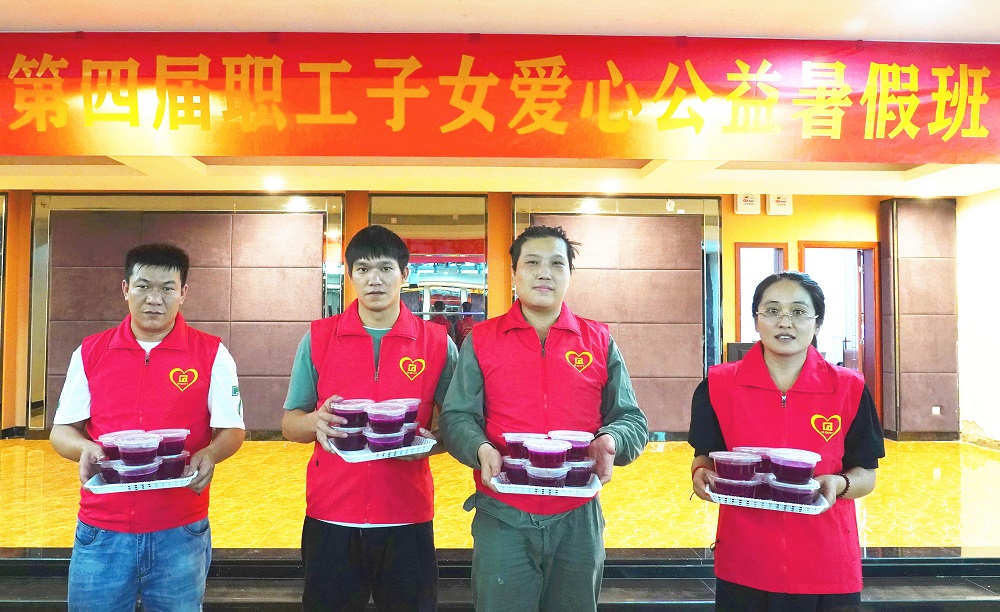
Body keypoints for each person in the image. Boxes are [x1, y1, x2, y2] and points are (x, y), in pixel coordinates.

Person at [440, 225, 649, 612]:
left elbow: (632, 419)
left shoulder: (598, 340)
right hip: (503, 513)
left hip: (578, 516)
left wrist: (611, 440)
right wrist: (480, 448)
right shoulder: (482, 340)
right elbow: (456, 417)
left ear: (569, 274)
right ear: (514, 273)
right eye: (532, 263)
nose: (544, 273)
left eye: (556, 264)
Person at [50, 242, 246, 612]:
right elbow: (61, 432)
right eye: (143, 286)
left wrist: (210, 453)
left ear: (183, 293)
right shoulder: (91, 351)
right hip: (102, 528)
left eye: (167, 288)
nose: (154, 299)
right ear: (126, 289)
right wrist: (84, 449)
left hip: (180, 528)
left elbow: (232, 430)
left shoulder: (211, 353)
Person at [281, 225, 458, 612]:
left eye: (385, 268)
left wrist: (433, 444)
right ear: (349, 275)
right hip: (331, 513)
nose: (374, 279)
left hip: (406, 514)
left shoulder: (437, 343)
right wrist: (315, 423)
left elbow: (455, 427)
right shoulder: (319, 338)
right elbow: (291, 423)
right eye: (362, 269)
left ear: (404, 274)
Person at [688, 271, 885, 612]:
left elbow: (866, 475)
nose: (785, 321)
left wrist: (838, 483)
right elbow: (704, 457)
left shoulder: (849, 389)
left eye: (798, 311)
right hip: (745, 561)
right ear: (756, 321)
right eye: (772, 310)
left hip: (826, 563)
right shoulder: (718, 386)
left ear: (817, 323)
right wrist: (700, 473)